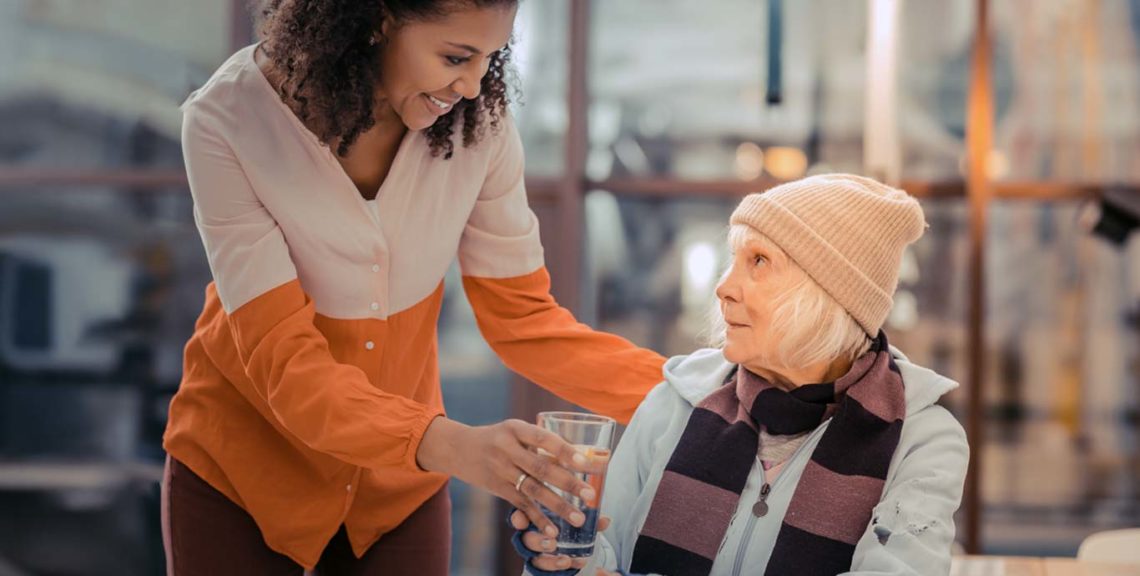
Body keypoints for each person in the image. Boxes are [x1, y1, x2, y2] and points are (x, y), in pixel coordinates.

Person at [160, 1, 666, 574]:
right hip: (243, 482)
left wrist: (699, 400)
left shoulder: (482, 130)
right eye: (455, 56)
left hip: (398, 489)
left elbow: (525, 322)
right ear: (376, 20)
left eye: (491, 58)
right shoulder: (228, 121)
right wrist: (458, 446)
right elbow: (287, 365)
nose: (474, 85)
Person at [510, 174, 970, 576]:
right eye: (733, 259)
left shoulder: (922, 439)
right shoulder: (677, 399)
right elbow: (601, 554)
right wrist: (562, 559)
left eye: (760, 262)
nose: (724, 287)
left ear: (829, 296)